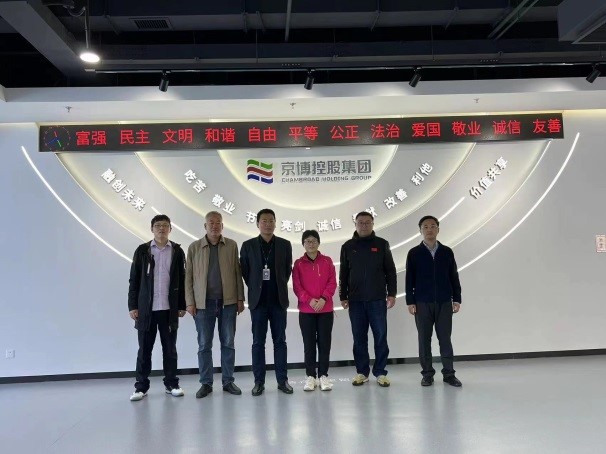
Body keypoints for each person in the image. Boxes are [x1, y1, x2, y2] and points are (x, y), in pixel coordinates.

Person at [185, 211, 245, 398]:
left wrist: (240, 298)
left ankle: (228, 381)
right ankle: (206, 383)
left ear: (222, 226)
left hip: (228, 302)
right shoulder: (194, 247)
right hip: (203, 304)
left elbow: (237, 273)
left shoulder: (231, 245)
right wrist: (190, 302)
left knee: (228, 343)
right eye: (211, 223)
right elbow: (188, 277)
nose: (214, 226)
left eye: (218, 223)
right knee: (204, 345)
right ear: (205, 226)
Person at [128, 214, 186, 401]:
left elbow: (182, 279)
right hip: (147, 310)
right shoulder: (142, 250)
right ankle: (141, 387)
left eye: (165, 225)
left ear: (171, 229)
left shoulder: (177, 251)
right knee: (144, 350)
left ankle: (172, 384)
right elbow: (134, 280)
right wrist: (133, 306)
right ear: (152, 229)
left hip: (169, 309)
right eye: (158, 225)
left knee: (170, 349)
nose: (162, 229)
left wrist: (182, 304)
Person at [339, 211, 397, 387]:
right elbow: (343, 273)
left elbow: (390, 271)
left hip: (377, 299)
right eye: (360, 222)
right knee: (359, 338)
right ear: (355, 224)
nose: (364, 225)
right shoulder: (348, 246)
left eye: (367, 222)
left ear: (373, 224)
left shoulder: (381, 244)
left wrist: (392, 293)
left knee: (380, 337)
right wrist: (343, 296)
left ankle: (380, 372)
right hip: (355, 301)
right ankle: (362, 372)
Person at [240, 208, 293, 396]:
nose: (268, 224)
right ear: (257, 223)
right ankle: (258, 382)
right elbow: (245, 272)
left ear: (275, 223)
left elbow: (287, 271)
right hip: (258, 303)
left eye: (271, 220)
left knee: (280, 342)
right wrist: (256, 286)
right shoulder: (248, 245)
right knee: (258, 343)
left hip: (278, 301)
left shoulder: (285, 245)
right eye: (264, 221)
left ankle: (282, 381)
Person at [405, 215, 462, 387]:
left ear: (438, 229)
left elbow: (454, 276)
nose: (429, 229)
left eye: (432, 226)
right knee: (424, 340)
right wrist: (410, 301)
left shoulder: (447, 252)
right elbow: (409, 279)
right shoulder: (414, 253)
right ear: (420, 230)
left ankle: (449, 374)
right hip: (422, 302)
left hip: (444, 302)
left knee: (445, 339)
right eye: (425, 227)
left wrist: (457, 298)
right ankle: (427, 374)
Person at [292, 230, 337, 392]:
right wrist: (309, 300)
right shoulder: (298, 263)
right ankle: (310, 376)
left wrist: (323, 299)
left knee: (324, 344)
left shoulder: (327, 261)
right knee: (309, 344)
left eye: (313, 241)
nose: (311, 244)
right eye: (307, 241)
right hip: (306, 310)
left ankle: (323, 375)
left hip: (325, 309)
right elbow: (297, 286)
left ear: (318, 243)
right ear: (303, 244)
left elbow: (332, 282)